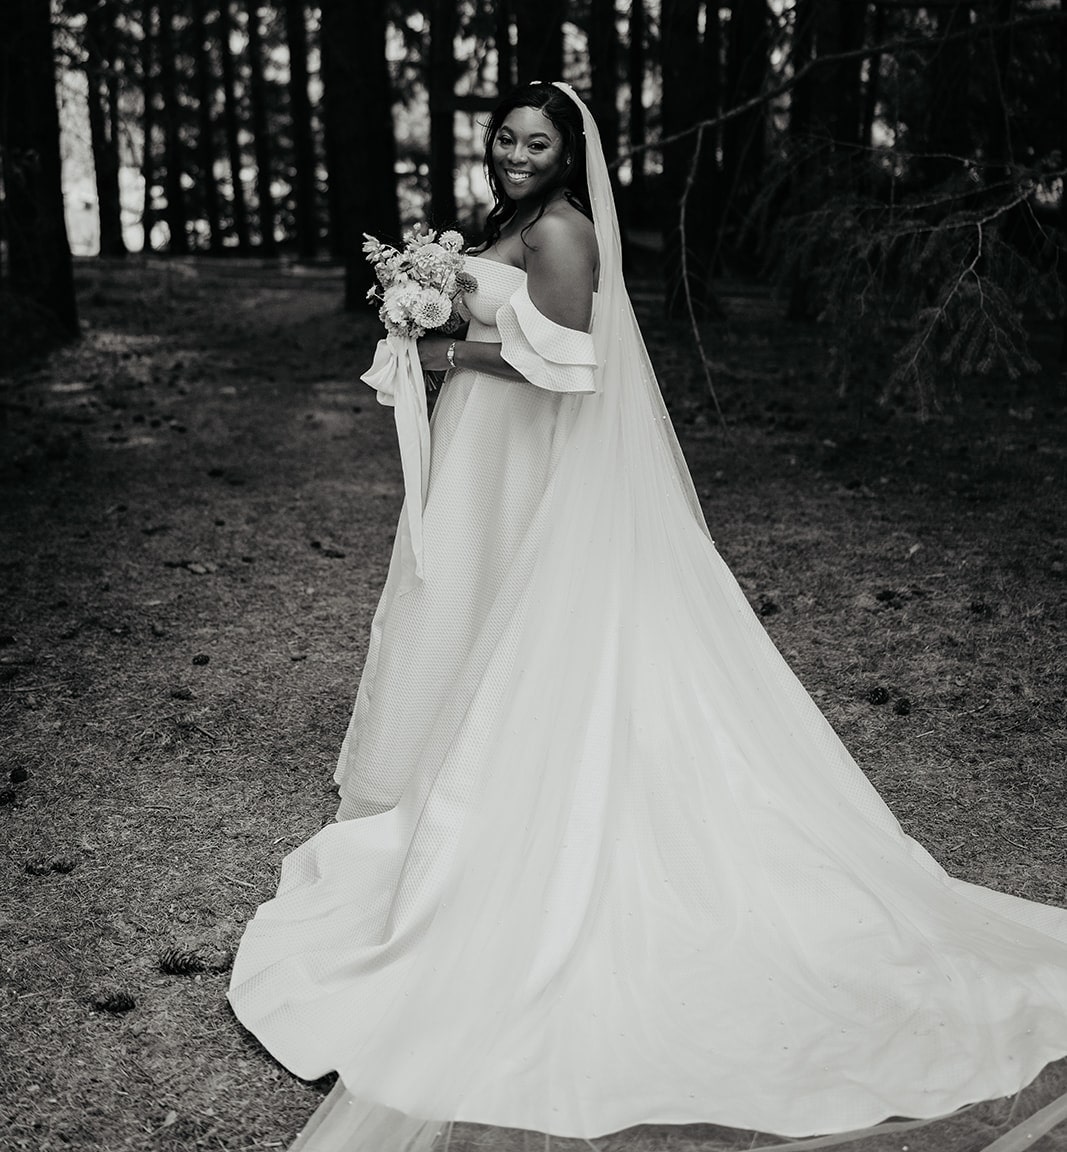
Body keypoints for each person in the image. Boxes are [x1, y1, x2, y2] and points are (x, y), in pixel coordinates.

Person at [229, 82, 1067, 1152]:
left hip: (533, 444)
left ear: (570, 155)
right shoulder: (506, 224)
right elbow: (519, 325)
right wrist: (433, 309)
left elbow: (573, 365)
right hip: (495, 445)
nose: (516, 150)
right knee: (474, 605)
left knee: (534, 620)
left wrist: (446, 345)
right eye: (506, 135)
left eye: (538, 140)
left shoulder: (565, 231)